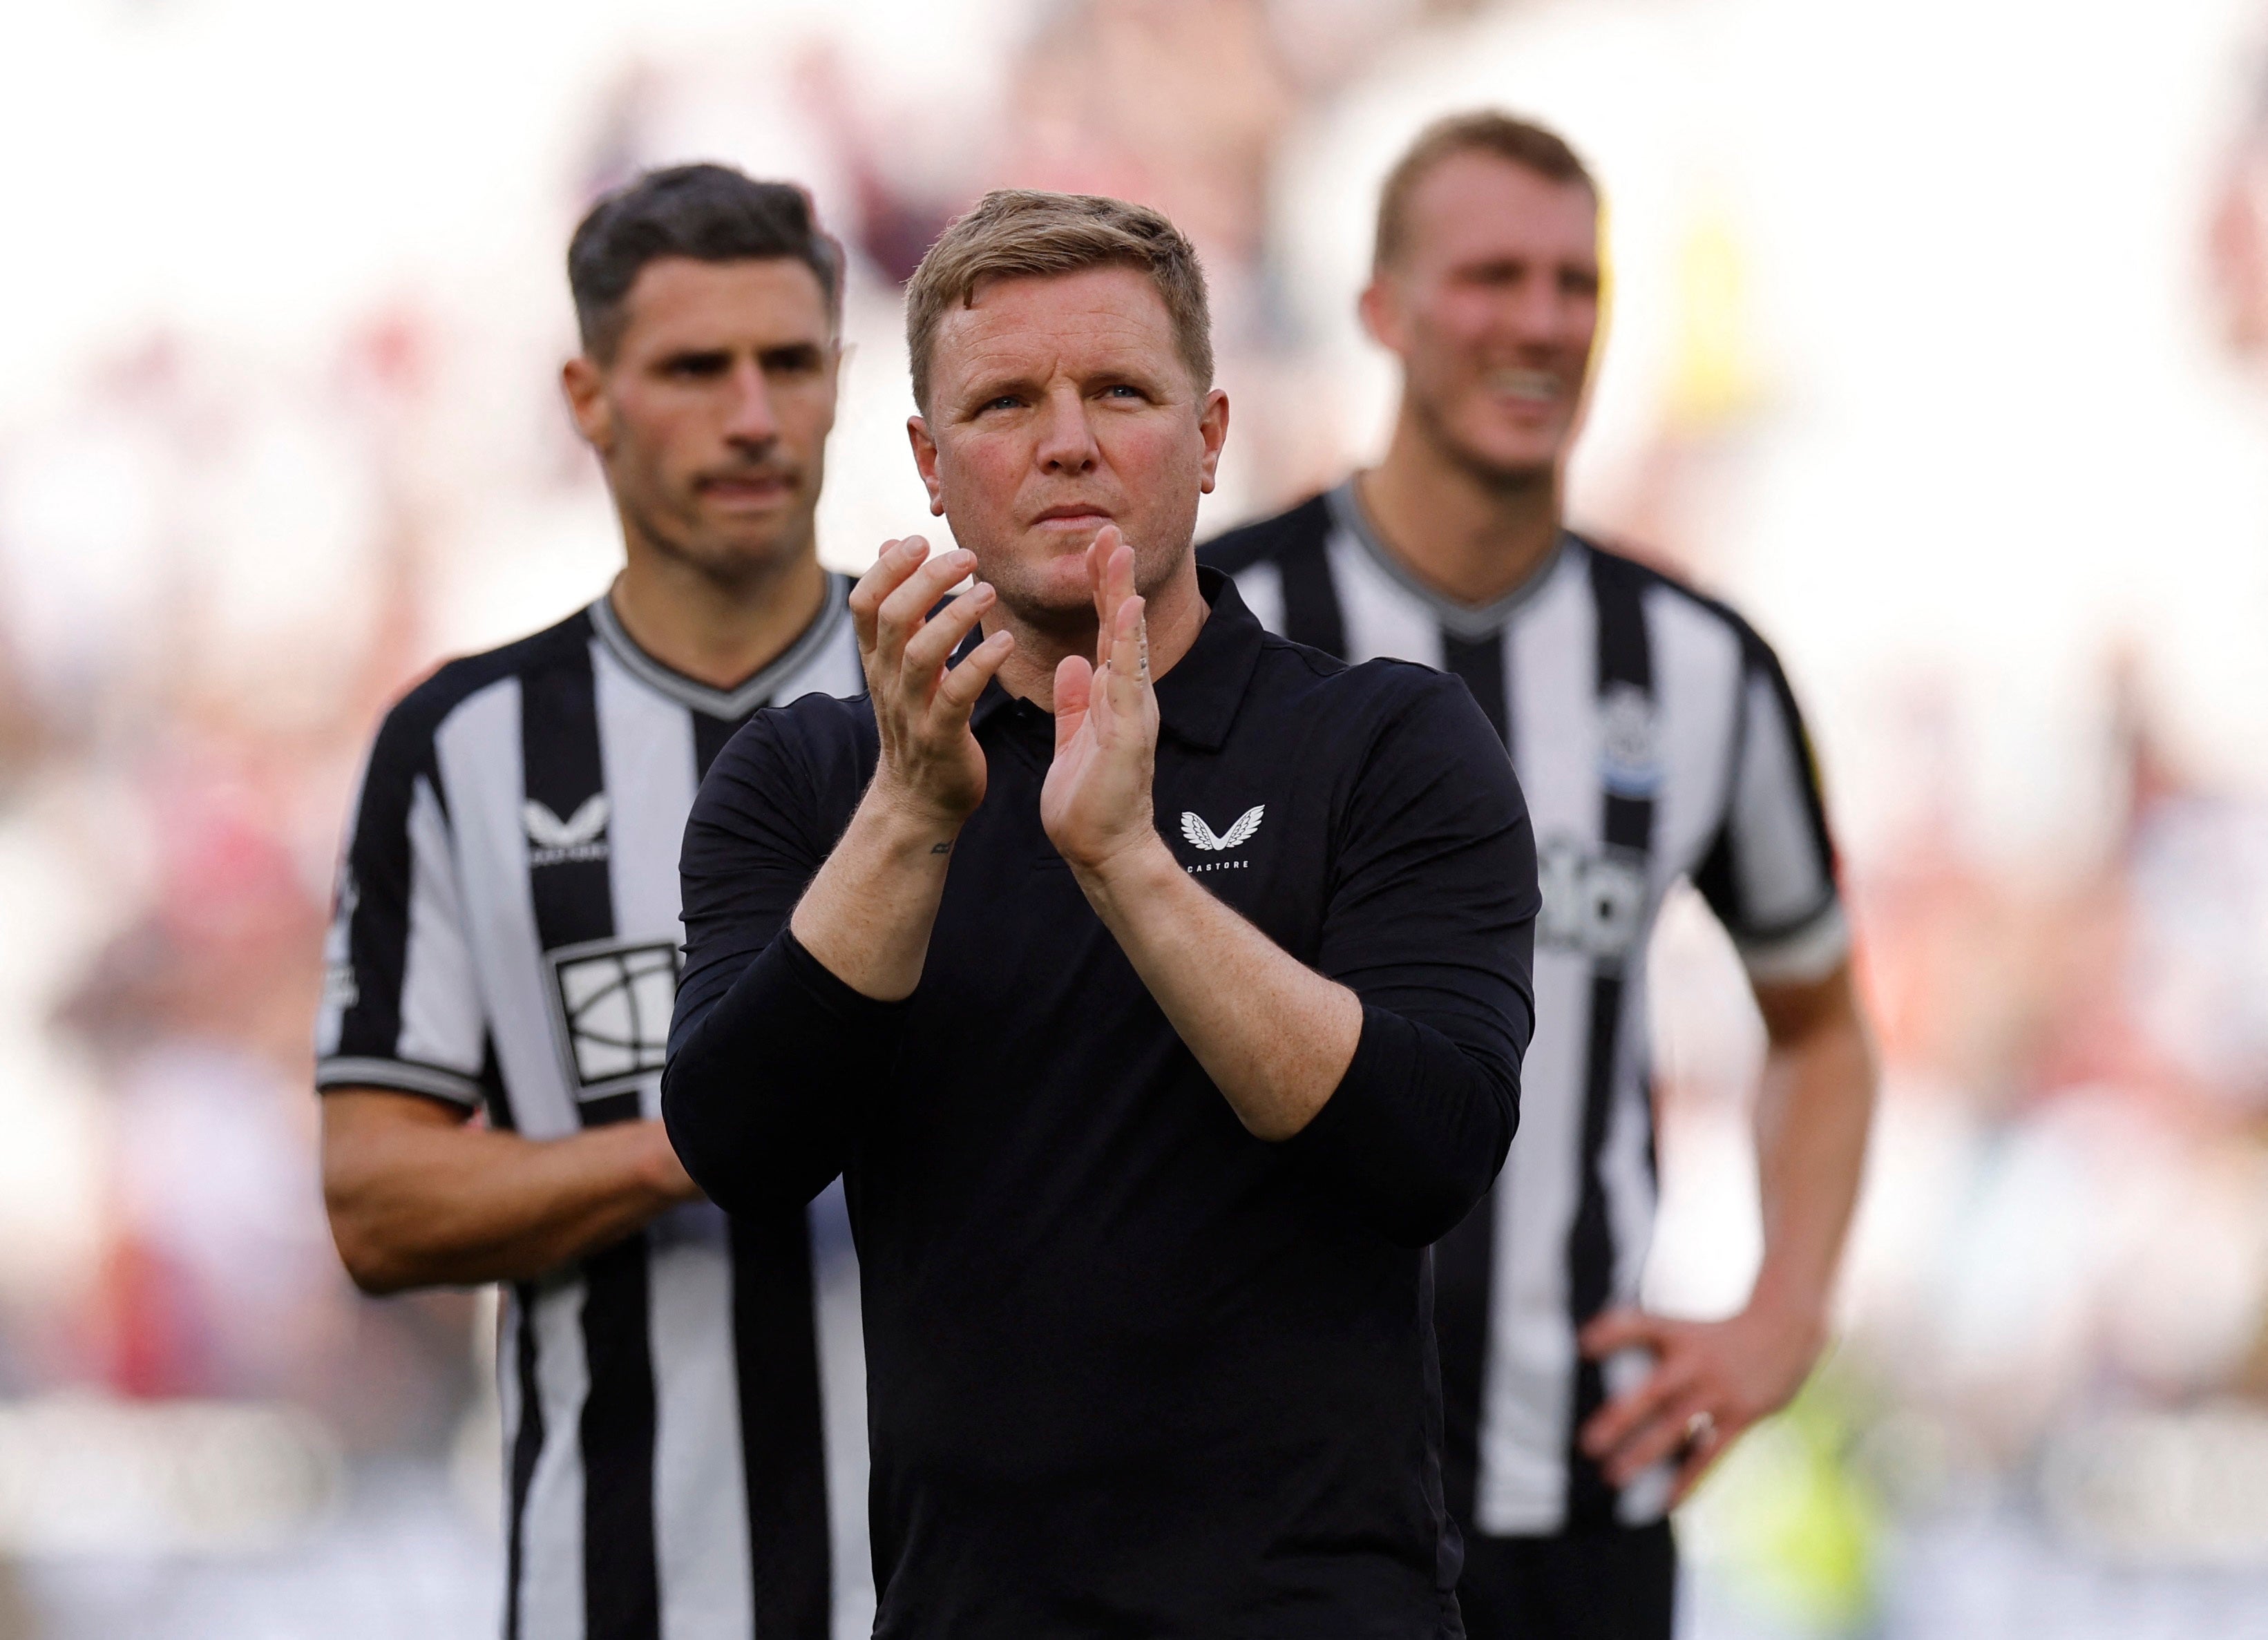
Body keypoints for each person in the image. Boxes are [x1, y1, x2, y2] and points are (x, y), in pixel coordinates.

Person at [663, 189, 1541, 1638]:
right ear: (929, 467)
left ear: (1207, 436)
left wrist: (1128, 862)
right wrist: (913, 815)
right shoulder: (815, 778)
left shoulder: (1387, 741)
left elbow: (1429, 1147)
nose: (1065, 438)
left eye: (1119, 391)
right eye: (1004, 401)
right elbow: (739, 1144)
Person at [1201, 113, 1880, 1639]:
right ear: (1381, 307)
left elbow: (1823, 1020)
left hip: (1574, 1498)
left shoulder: (1699, 666)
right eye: (1489, 275)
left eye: (1574, 283)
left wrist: (1783, 1315)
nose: (1538, 321)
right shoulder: (1223, 622)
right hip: (1256, 1494)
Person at [315, 165, 868, 1640]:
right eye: (696, 367)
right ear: (587, 394)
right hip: (618, 1590)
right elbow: (376, 1198)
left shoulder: (971, 688)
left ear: (841, 381)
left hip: (966, 1591)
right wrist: (703, 1139)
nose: (752, 415)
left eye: (790, 363)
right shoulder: (466, 745)